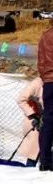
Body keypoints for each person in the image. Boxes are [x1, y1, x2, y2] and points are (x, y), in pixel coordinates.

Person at [16, 77, 43, 167]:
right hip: (36, 121)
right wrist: (33, 115)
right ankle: (29, 175)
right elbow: (21, 99)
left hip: (48, 119)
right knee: (34, 152)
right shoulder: (38, 82)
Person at [39, 21, 53, 171]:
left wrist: (45, 78)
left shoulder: (45, 35)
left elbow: (41, 61)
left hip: (49, 82)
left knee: (48, 122)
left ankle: (44, 161)